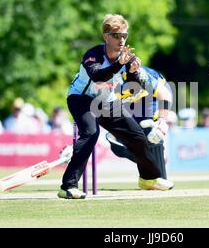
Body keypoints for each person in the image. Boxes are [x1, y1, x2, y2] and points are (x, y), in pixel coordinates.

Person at [57, 14, 174, 199]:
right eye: (116, 36)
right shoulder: (93, 55)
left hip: (107, 101)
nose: (121, 40)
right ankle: (68, 186)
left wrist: (133, 72)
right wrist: (119, 64)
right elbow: (98, 76)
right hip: (81, 99)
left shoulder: (127, 58)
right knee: (90, 133)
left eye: (124, 36)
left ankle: (148, 178)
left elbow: (132, 86)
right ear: (106, 37)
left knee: (136, 137)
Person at [106, 65, 173, 179]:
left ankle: (158, 178)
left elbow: (164, 94)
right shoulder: (103, 83)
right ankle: (153, 162)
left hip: (153, 98)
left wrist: (162, 121)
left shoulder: (140, 74)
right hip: (131, 103)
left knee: (150, 132)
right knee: (116, 145)